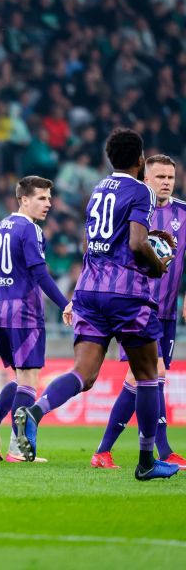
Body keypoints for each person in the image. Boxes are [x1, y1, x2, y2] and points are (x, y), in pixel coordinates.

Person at [14, 128, 180, 481]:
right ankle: (146, 461)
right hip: (127, 294)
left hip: (89, 290)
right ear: (140, 160)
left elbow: (89, 243)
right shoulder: (142, 192)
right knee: (148, 376)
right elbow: (137, 242)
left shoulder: (99, 188)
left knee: (84, 374)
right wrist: (157, 265)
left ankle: (35, 412)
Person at [92, 154, 186, 470]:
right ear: (146, 178)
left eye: (170, 177)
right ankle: (162, 450)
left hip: (167, 310)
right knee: (151, 374)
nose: (166, 183)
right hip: (136, 305)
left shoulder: (183, 213)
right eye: (160, 177)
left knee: (143, 377)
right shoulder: (133, 207)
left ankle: (104, 451)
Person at [0, 176, 71, 463]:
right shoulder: (30, 229)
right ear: (24, 199)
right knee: (29, 379)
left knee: (21, 379)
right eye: (41, 198)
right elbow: (40, 274)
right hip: (24, 312)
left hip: (0, 311)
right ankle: (17, 449)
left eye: (49, 198)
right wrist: (65, 304)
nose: (48, 203)